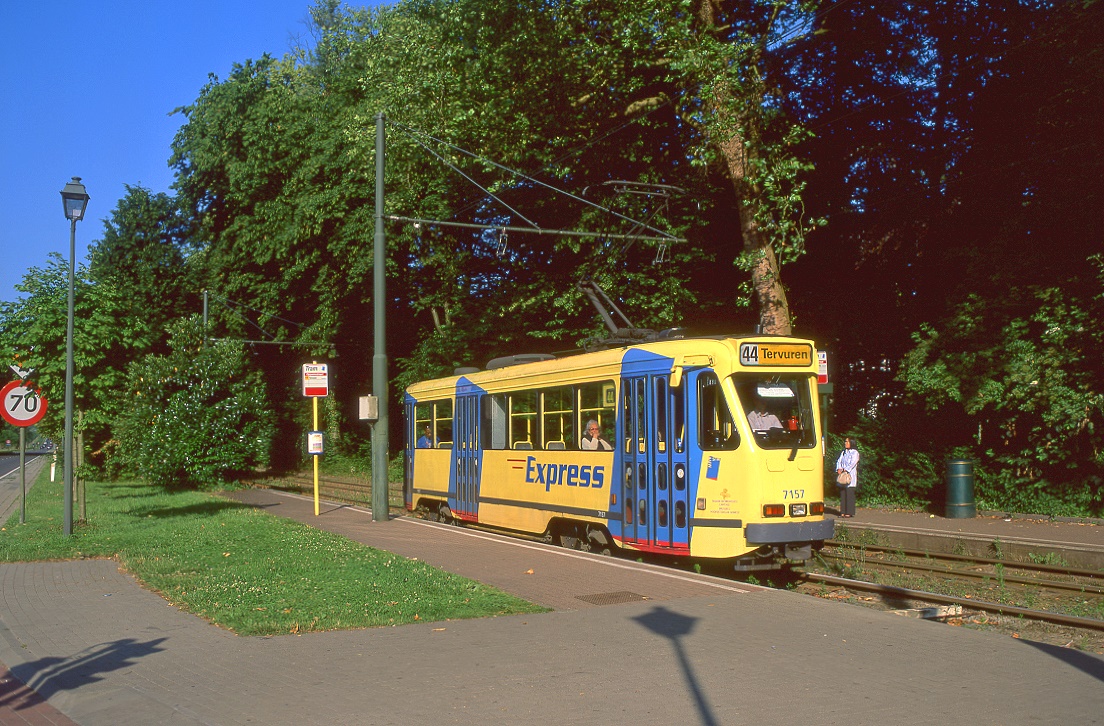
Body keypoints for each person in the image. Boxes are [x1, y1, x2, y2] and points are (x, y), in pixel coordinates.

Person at [835, 437, 860, 518]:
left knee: (849, 494)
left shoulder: (855, 453)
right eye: (845, 441)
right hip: (842, 476)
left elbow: (853, 463)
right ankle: (843, 512)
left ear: (851, 443)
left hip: (849, 476)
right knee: (843, 494)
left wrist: (846, 469)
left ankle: (849, 512)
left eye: (847, 442)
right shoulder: (843, 452)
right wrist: (839, 468)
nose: (845, 443)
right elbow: (839, 461)